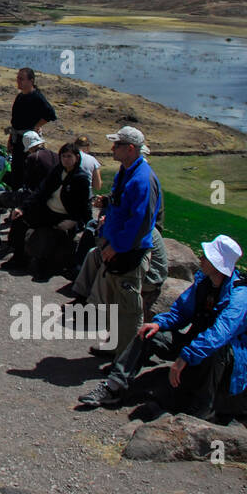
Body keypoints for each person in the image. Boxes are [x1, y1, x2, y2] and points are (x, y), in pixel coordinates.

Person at [79, 235, 247, 422]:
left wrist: (184, 357)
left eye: (206, 255)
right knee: (148, 332)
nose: (201, 258)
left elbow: (219, 335)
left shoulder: (239, 296)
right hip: (196, 344)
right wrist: (159, 323)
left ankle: (201, 411)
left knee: (215, 351)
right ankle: (114, 386)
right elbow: (181, 312)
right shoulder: (204, 283)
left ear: (217, 263)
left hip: (224, 356)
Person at [74, 127, 162, 360]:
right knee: (115, 302)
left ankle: (125, 359)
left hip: (129, 253)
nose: (112, 149)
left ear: (130, 149)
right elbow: (124, 205)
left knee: (130, 309)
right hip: (117, 250)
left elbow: (140, 221)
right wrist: (109, 203)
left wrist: (117, 246)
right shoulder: (127, 172)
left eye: (117, 145)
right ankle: (115, 346)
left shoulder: (142, 179)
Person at [0, 142, 91, 270]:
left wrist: (76, 221)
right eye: (63, 156)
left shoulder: (81, 178)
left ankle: (47, 266)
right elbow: (41, 191)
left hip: (65, 216)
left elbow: (83, 204)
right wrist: (22, 208)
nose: (66, 159)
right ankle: (19, 257)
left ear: (77, 157)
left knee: (56, 239)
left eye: (69, 156)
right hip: (48, 211)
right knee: (19, 220)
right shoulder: (57, 171)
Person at [6, 68, 56, 191]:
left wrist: (35, 127)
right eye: (18, 78)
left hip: (29, 141)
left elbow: (50, 114)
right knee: (16, 170)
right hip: (17, 139)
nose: (18, 81)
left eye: (21, 79)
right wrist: (10, 139)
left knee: (28, 169)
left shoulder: (37, 97)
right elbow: (15, 122)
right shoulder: (20, 97)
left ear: (31, 80)